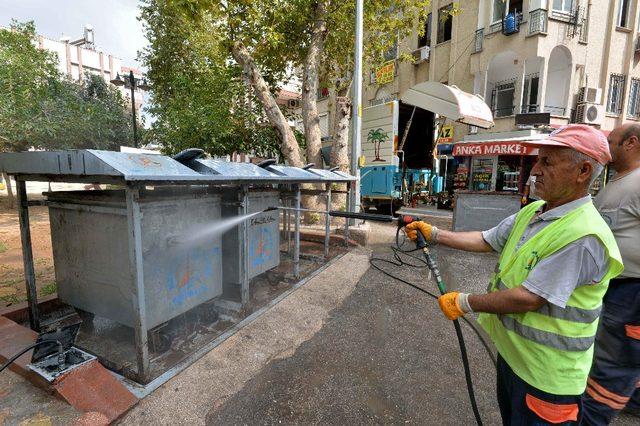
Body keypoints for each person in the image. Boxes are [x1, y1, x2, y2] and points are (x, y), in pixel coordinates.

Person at [406, 124, 623, 425]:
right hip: (515, 360)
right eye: (538, 160)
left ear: (583, 171)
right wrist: (435, 233)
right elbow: (486, 239)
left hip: (547, 379)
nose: (535, 170)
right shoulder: (535, 212)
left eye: (547, 162)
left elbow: (528, 298)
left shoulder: (583, 235)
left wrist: (466, 302)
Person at [582, 123, 640, 425]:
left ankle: (592, 418)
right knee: (625, 355)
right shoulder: (620, 180)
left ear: (631, 143)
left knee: (614, 363)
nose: (606, 146)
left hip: (632, 292)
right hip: (618, 288)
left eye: (610, 141)